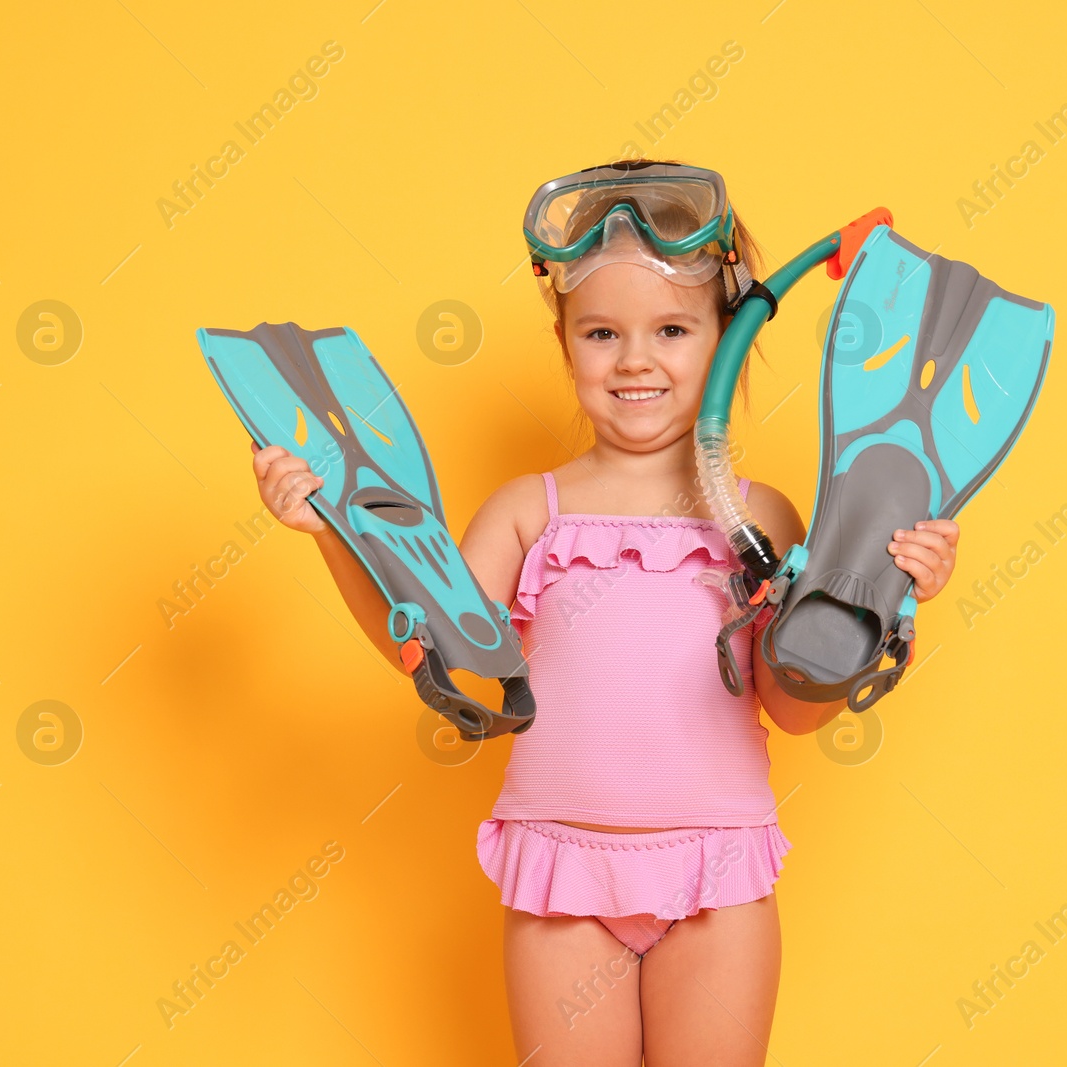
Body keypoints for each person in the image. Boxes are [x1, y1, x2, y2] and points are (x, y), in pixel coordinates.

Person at [248, 159, 961, 1066]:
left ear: (723, 338)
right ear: (564, 342)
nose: (634, 359)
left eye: (671, 328)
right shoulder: (524, 512)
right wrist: (329, 533)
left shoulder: (764, 519)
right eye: (600, 332)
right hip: (563, 884)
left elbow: (796, 709)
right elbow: (430, 649)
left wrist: (888, 594)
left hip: (718, 884)